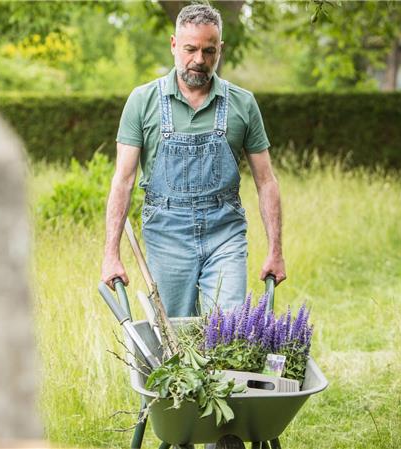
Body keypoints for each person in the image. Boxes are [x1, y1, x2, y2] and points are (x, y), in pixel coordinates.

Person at [101, 4, 285, 317]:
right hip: (166, 233)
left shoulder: (243, 103)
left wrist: (275, 250)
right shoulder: (142, 101)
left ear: (221, 49)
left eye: (209, 51)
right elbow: (124, 179)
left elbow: (266, 180)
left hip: (224, 232)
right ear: (174, 44)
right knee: (175, 334)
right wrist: (111, 254)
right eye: (190, 49)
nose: (199, 60)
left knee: (228, 332)